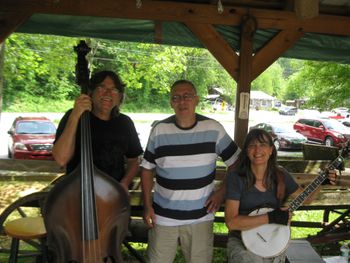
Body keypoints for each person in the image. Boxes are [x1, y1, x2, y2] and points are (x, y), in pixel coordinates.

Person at [141, 79, 241, 263]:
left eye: (187, 96)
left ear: (196, 99)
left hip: (200, 217)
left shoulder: (214, 129)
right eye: (176, 97)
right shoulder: (159, 130)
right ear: (171, 102)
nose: (182, 101)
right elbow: (147, 169)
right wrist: (147, 206)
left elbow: (236, 163)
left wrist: (221, 192)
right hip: (163, 217)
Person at [225, 128, 336, 263]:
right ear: (246, 151)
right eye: (252, 145)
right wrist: (270, 217)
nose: (257, 150)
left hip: (273, 240)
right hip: (241, 242)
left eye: (263, 145)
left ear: (271, 150)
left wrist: (321, 182)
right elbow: (231, 223)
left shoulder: (280, 175)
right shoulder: (236, 178)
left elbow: (306, 199)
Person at [53, 70, 143, 192]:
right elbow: (61, 159)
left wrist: (124, 184)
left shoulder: (125, 123)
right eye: (102, 87)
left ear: (120, 97)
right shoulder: (74, 115)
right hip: (76, 194)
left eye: (114, 90)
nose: (108, 93)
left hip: (112, 195)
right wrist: (75, 115)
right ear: (91, 92)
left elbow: (133, 160)